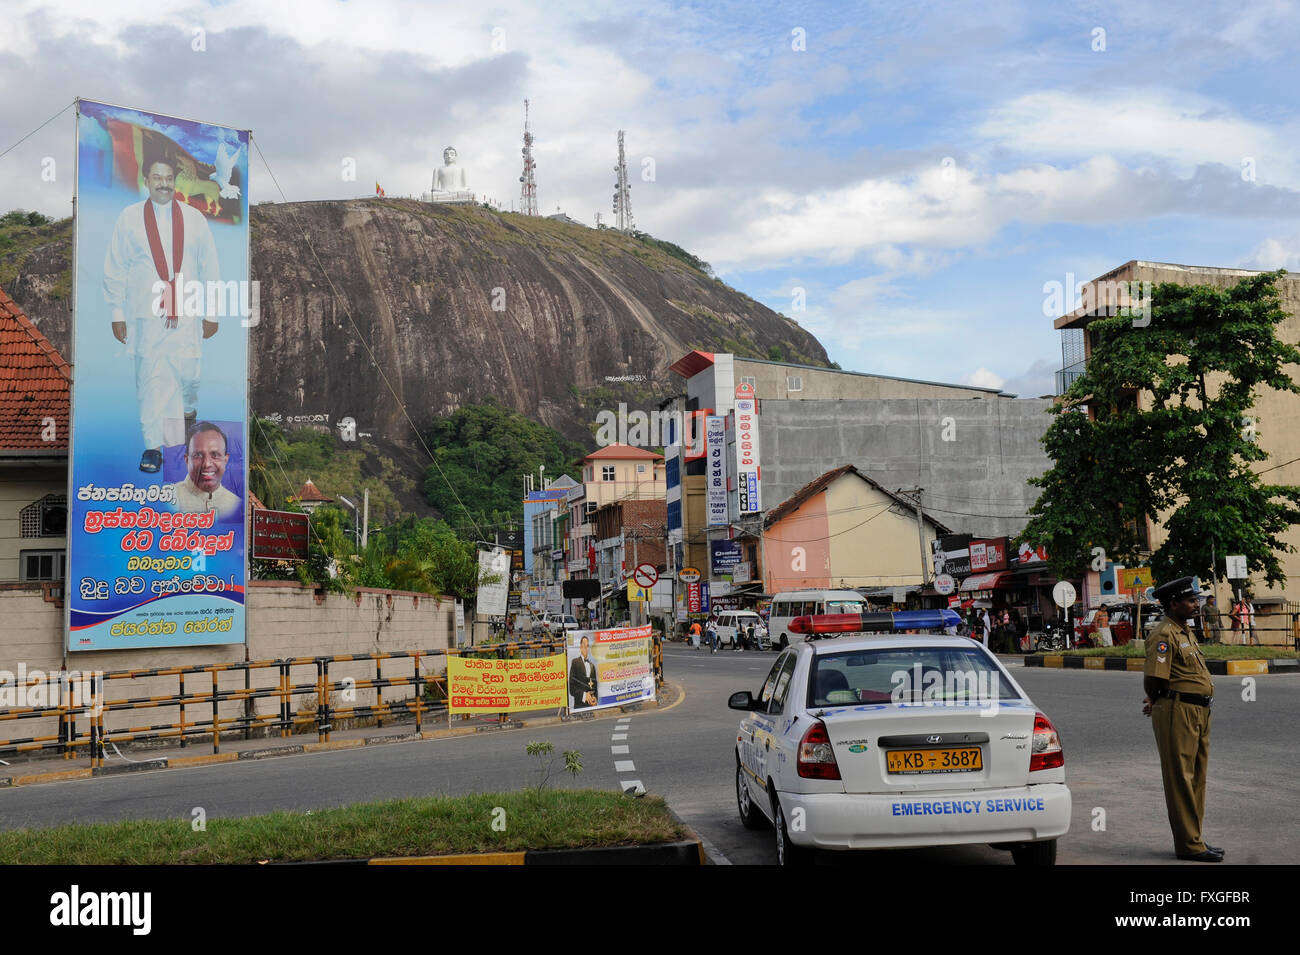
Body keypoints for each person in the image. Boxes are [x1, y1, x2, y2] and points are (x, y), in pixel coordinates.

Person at [104, 151, 222, 473]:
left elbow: (209, 266)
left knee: (188, 377)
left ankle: (186, 417)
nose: (164, 184)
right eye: (157, 178)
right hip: (147, 314)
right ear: (146, 181)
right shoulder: (129, 218)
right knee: (150, 380)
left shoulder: (195, 219)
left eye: (169, 179)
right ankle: (154, 448)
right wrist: (117, 310)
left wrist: (212, 311)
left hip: (186, 313)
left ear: (175, 182)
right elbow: (116, 266)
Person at [1141, 576, 1222, 862]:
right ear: (1173, 604)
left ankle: (1195, 838)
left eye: (1197, 599)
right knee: (1181, 779)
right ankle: (1189, 845)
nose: (1196, 604)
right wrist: (1159, 700)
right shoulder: (1163, 634)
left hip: (1198, 711)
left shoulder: (1184, 632)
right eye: (1190, 600)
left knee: (1197, 777)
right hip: (1178, 711)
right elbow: (1154, 679)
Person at [169, 422, 240, 519]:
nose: (207, 464)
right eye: (198, 455)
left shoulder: (236, 505)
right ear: (187, 460)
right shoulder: (168, 498)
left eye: (215, 455)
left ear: (225, 460)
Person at [568, 635, 598, 711]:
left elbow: (595, 685)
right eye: (583, 645)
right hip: (579, 705)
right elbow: (571, 687)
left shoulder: (592, 666)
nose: (585, 648)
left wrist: (595, 697)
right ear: (580, 647)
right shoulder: (575, 662)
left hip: (591, 706)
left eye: (587, 646)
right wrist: (584, 695)